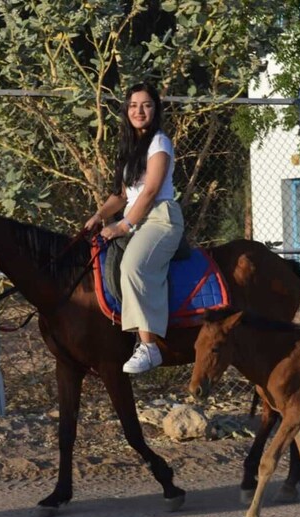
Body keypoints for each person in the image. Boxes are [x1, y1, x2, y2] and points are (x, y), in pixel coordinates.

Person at [84, 82, 184, 374]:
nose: (139, 111)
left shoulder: (159, 142)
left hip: (160, 217)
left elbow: (151, 191)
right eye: (133, 105)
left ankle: (150, 348)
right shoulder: (131, 147)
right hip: (137, 217)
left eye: (146, 105)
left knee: (132, 267)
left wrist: (123, 226)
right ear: (126, 110)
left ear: (156, 109)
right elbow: (122, 195)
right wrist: (98, 216)